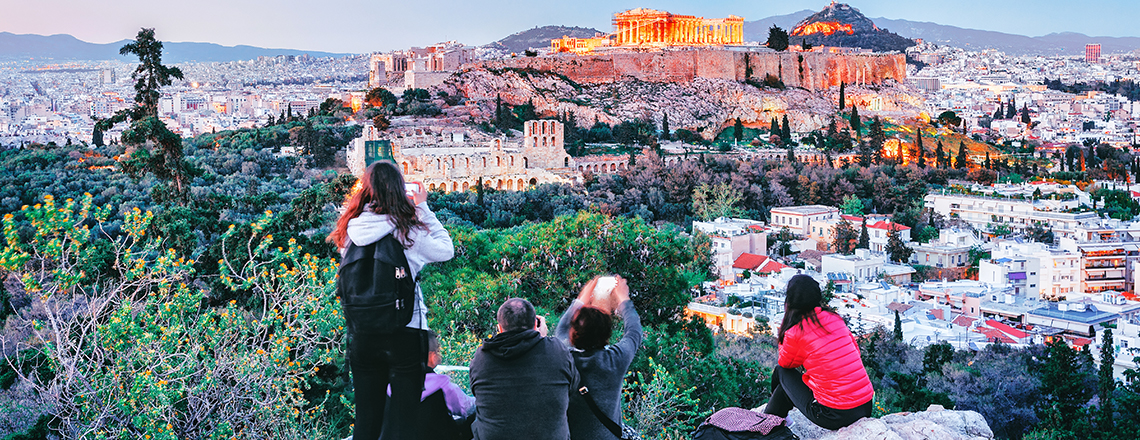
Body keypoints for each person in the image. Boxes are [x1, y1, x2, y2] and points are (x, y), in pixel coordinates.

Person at [327, 161, 454, 440]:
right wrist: (423, 207)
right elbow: (446, 250)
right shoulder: (408, 230)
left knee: (366, 422)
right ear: (400, 189)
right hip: (406, 330)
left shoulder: (349, 232)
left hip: (362, 333)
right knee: (403, 421)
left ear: (366, 190)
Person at [762, 274, 873, 430]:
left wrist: (786, 327)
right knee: (790, 379)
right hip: (865, 406)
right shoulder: (835, 318)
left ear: (790, 300)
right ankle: (774, 417)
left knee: (782, 372)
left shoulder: (796, 331)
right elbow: (855, 351)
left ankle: (773, 420)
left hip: (834, 415)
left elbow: (785, 362)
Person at [468, 298, 579, 440]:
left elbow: (476, 392)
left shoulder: (481, 359)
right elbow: (573, 387)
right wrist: (541, 340)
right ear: (535, 324)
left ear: (500, 328)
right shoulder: (558, 351)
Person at [555, 276, 643, 440]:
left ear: (573, 334)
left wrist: (581, 299)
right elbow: (634, 331)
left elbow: (561, 330)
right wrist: (623, 298)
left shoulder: (563, 357)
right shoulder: (616, 360)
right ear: (608, 334)